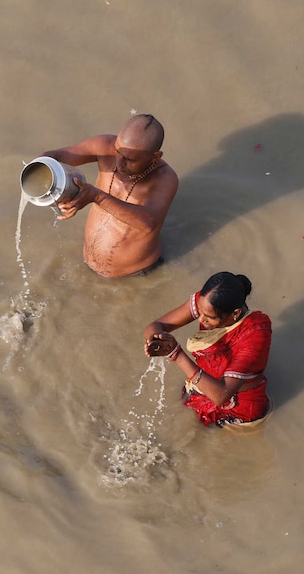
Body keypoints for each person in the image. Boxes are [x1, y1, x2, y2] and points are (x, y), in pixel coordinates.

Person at [41, 114, 178, 278]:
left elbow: (148, 223)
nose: (119, 162)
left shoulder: (165, 178)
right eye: (118, 152)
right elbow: (52, 158)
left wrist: (97, 197)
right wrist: (55, 185)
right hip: (87, 265)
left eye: (130, 160)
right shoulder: (105, 146)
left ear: (155, 157)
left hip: (134, 278)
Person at [143, 272, 272, 427]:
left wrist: (175, 354)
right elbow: (155, 326)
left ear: (235, 314)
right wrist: (157, 340)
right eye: (199, 311)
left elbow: (220, 396)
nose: (200, 318)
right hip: (201, 384)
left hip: (237, 408)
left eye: (208, 317)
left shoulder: (255, 335)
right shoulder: (207, 304)